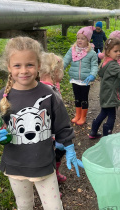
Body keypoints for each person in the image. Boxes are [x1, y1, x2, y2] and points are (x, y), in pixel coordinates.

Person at [0, 37, 83, 210]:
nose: (24, 70)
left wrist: (69, 146)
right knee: (24, 205)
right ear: (8, 67)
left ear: (38, 65)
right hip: (15, 167)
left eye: (29, 64)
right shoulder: (3, 97)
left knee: (54, 206)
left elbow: (62, 124)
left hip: (44, 165)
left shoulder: (49, 94)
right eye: (17, 65)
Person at [39, 52, 67, 187]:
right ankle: (51, 184)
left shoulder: (46, 86)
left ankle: (54, 174)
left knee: (57, 154)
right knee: (53, 156)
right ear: (55, 71)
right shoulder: (47, 90)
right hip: (50, 132)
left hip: (51, 130)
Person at [63, 26, 99, 125]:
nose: (79, 40)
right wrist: (60, 68)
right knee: (77, 98)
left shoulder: (91, 53)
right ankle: (77, 115)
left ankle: (83, 116)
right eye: (78, 38)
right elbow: (65, 60)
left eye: (82, 38)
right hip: (75, 79)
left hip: (85, 80)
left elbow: (94, 66)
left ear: (88, 40)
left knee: (84, 99)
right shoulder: (72, 50)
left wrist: (92, 75)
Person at [99, 30, 120, 111]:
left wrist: (98, 54)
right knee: (119, 86)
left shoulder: (110, 49)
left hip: (110, 69)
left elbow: (102, 55)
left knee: (110, 86)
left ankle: (110, 101)